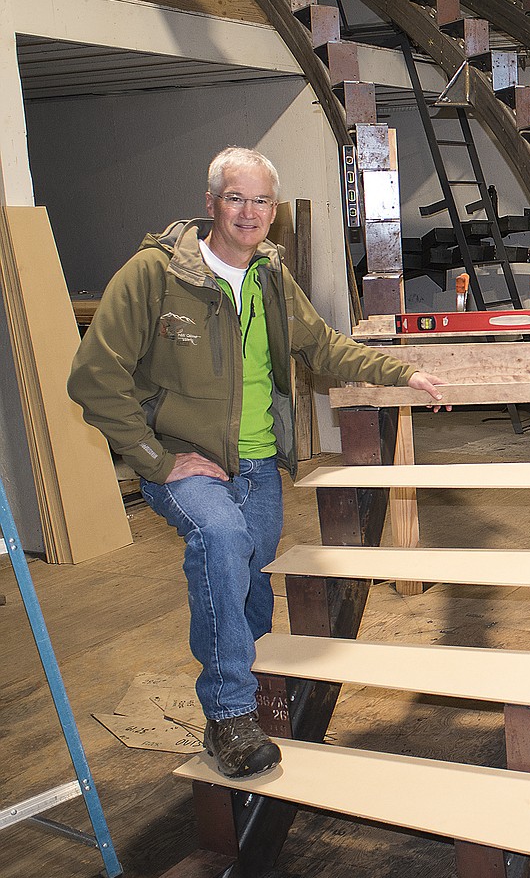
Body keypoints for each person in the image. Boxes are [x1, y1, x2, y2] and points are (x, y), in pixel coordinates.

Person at [69, 147, 445, 779]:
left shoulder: (269, 273)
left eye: (261, 200)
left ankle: (254, 700)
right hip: (187, 460)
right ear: (211, 202)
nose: (249, 212)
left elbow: (319, 343)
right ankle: (229, 716)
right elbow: (93, 378)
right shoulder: (155, 275)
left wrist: (403, 371)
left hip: (258, 461)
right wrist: (156, 461)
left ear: (273, 210)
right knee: (220, 540)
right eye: (236, 198)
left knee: (247, 584)